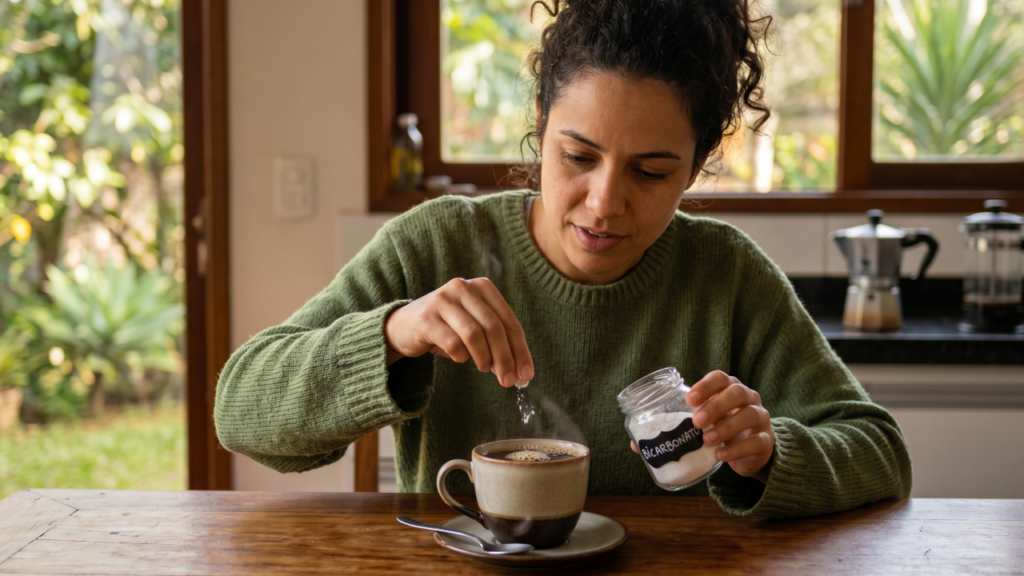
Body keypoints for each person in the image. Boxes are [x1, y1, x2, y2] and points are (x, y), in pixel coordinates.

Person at [215, 0, 912, 517]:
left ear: (696, 168)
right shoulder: (435, 246)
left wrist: (768, 452)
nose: (603, 203)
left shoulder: (723, 274)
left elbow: (881, 452)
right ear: (540, 125)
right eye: (578, 156)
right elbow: (241, 412)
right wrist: (395, 334)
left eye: (651, 172)